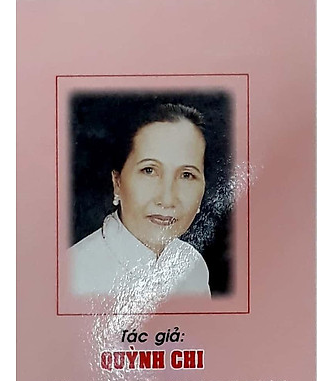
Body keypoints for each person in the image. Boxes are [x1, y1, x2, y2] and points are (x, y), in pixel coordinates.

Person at [70, 103, 211, 302]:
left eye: (187, 175)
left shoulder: (194, 267)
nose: (167, 200)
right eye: (149, 171)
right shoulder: (72, 276)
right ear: (117, 182)